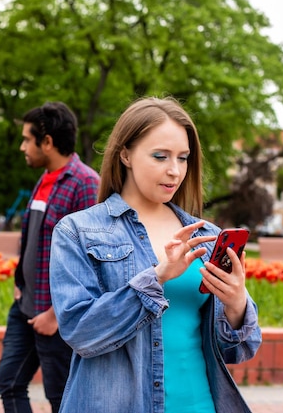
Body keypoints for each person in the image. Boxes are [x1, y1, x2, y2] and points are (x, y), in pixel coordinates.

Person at [48, 97, 262, 413]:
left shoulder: (207, 235)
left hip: (200, 404)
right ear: (125, 154)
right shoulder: (77, 231)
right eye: (160, 156)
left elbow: (238, 350)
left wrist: (236, 304)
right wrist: (157, 277)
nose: (174, 171)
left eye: (183, 158)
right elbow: (81, 333)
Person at [0, 101, 100, 413]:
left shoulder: (86, 183)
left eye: (27, 139)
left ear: (48, 142)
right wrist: (20, 282)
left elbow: (93, 260)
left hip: (59, 317)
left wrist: (56, 314)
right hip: (26, 306)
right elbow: (35, 240)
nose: (22, 146)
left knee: (63, 399)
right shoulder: (45, 178)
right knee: (9, 382)